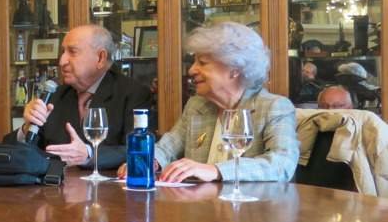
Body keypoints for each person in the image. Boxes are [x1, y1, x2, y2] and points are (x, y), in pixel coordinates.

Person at [118, 22, 299, 183]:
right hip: (202, 209)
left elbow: (282, 163)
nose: (191, 70)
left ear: (234, 69)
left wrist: (216, 170)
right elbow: (168, 147)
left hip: (253, 213)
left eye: (202, 63)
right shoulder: (197, 105)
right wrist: (148, 161)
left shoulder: (274, 107)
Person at [3, 24, 153, 169]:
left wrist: (89, 154)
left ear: (100, 58)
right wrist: (27, 127)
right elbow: (9, 154)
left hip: (108, 191)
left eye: (72, 52)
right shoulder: (55, 96)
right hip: (53, 190)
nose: (62, 61)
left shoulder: (133, 94)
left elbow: (139, 150)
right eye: (63, 52)